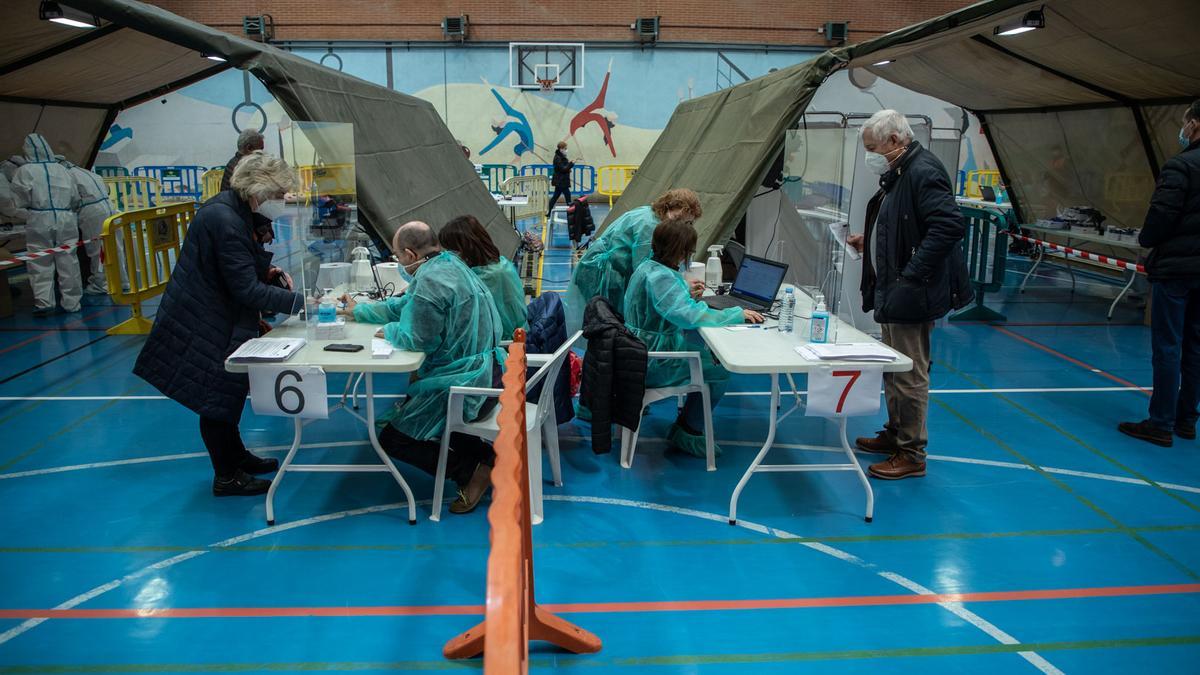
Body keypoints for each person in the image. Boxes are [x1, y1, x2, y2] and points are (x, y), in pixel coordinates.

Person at [133, 152, 303, 496]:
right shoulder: (225, 219)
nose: (280, 202)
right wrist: (305, 304)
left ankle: (236, 456)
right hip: (205, 317)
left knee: (230, 391)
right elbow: (246, 289)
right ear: (258, 189)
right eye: (277, 194)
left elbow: (237, 271)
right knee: (215, 395)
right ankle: (226, 475)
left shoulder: (234, 211)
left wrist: (263, 269)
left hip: (215, 312)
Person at [846, 110, 972, 481]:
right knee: (894, 367)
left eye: (873, 148)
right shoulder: (900, 173)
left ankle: (911, 452)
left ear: (895, 142)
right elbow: (903, 226)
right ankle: (896, 432)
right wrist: (867, 243)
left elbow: (948, 226)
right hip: (896, 290)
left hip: (912, 293)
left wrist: (912, 274)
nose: (870, 155)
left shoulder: (923, 172)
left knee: (910, 373)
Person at [365, 221, 506, 514]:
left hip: (466, 383)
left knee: (393, 438)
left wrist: (391, 331)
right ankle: (487, 457)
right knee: (421, 414)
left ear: (409, 254)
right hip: (490, 373)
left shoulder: (430, 281)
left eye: (397, 256)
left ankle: (468, 472)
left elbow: (419, 338)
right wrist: (358, 311)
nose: (399, 263)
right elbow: (405, 305)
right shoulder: (450, 264)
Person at [623, 218, 763, 457]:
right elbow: (688, 317)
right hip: (655, 360)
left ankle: (687, 422)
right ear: (681, 251)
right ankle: (689, 430)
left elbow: (664, 306)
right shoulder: (662, 278)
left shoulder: (648, 267)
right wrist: (735, 313)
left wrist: (684, 293)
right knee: (719, 372)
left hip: (639, 349)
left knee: (705, 354)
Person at [1118, 100, 1200, 447]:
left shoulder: (1180, 166)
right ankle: (1186, 419)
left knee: (1169, 345)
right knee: (1196, 346)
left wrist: (1147, 239)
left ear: (1194, 125)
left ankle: (1161, 422)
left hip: (1176, 270)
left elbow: (1161, 218)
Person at [565, 188, 704, 333]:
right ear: (668, 208)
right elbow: (647, 274)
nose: (682, 226)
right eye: (679, 219)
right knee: (607, 324)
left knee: (608, 324)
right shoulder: (649, 226)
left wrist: (679, 282)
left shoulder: (652, 214)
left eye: (689, 223)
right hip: (604, 275)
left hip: (610, 268)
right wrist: (681, 286)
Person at [10, 134, 82, 316]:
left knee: (40, 260)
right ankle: (72, 303)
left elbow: (18, 199)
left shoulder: (25, 171)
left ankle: (44, 303)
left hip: (39, 218)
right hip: (66, 217)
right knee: (68, 260)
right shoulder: (62, 170)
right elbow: (75, 197)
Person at [439, 215, 528, 340]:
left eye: (452, 250)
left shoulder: (486, 277)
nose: (449, 255)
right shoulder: (498, 264)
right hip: (513, 335)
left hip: (504, 342)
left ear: (464, 248)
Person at [63, 162, 116, 295]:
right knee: (115, 248)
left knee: (97, 251)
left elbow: (72, 198)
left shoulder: (68, 176)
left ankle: (101, 284)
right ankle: (122, 282)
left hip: (92, 213)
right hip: (109, 208)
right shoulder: (88, 173)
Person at [548, 142, 574, 217]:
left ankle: (549, 213)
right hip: (561, 181)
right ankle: (571, 214)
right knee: (568, 197)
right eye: (565, 148)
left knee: (555, 197)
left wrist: (569, 166)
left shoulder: (561, 156)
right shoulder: (557, 158)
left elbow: (563, 168)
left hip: (560, 181)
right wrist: (571, 164)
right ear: (561, 149)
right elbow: (563, 169)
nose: (566, 150)